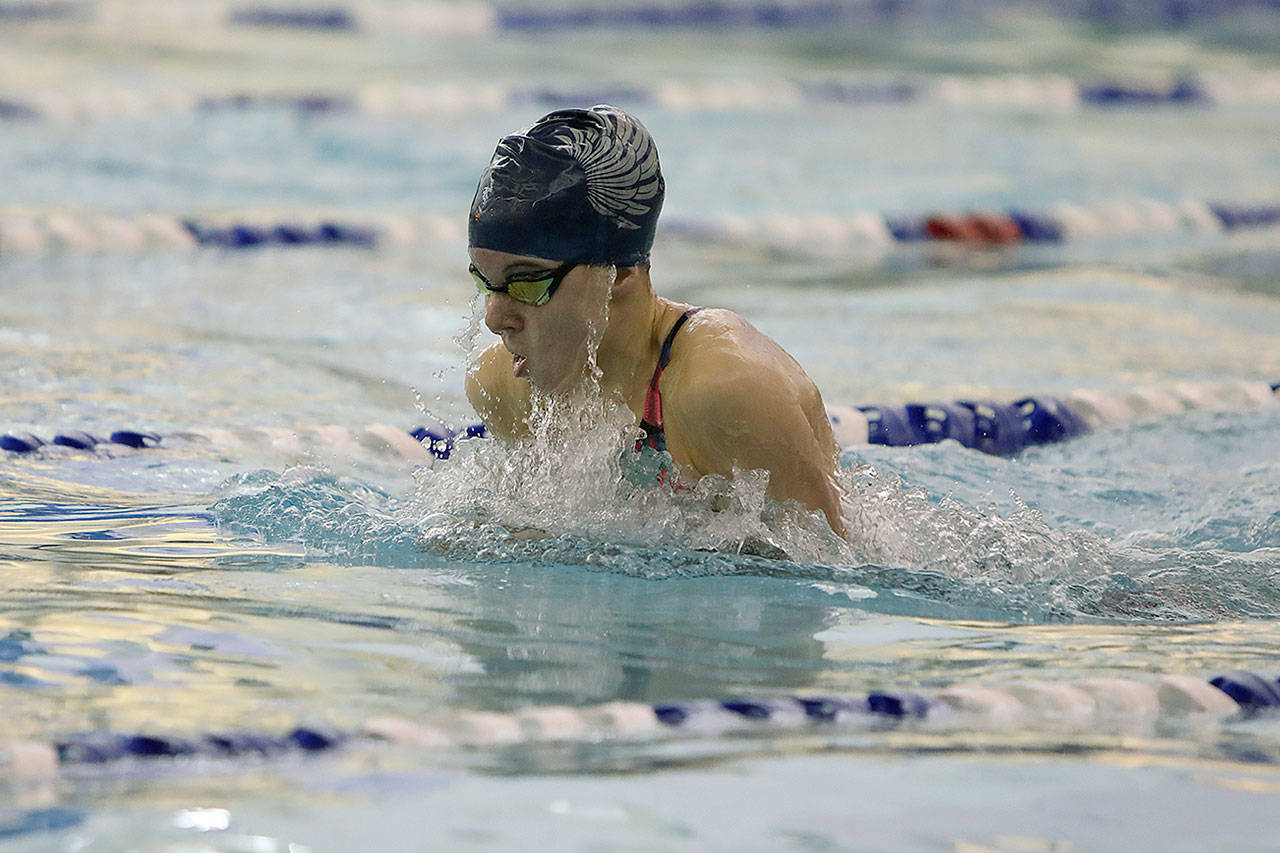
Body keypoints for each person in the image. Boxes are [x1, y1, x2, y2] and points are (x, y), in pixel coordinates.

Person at [464, 105, 846, 538]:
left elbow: (826, 574)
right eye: (486, 283)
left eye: (528, 282)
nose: (495, 317)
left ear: (621, 273)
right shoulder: (503, 387)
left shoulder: (724, 387)